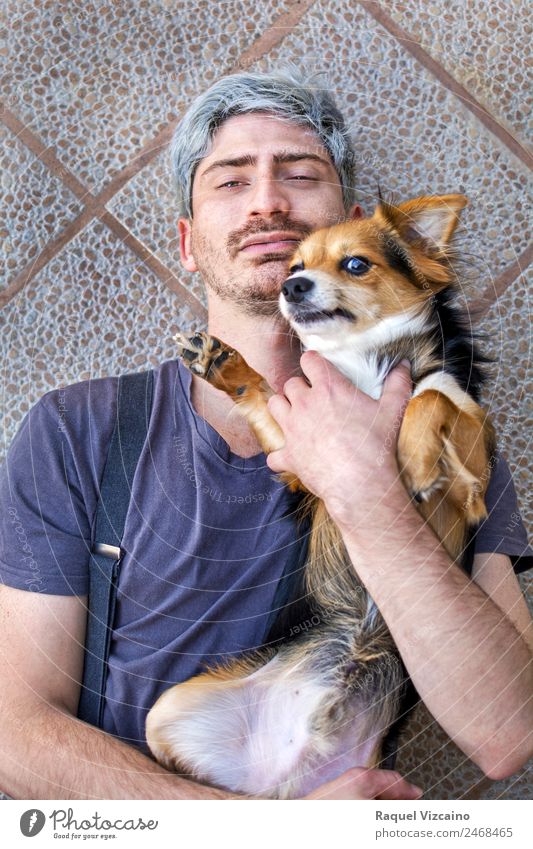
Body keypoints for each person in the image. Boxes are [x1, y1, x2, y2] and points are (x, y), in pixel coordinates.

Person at [0, 69, 531, 801]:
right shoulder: (76, 431)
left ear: (349, 221)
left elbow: (506, 729)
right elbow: (13, 731)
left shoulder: (444, 424)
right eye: (229, 180)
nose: (267, 200)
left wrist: (362, 487)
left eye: (298, 173)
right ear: (187, 244)